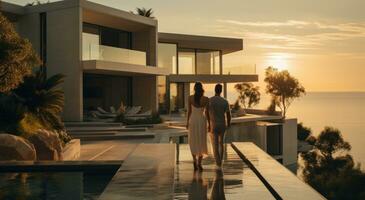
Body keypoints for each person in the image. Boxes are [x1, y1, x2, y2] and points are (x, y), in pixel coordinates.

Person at [186, 82, 210, 171]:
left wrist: (187, 122)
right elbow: (207, 113)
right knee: (201, 140)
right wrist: (210, 124)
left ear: (195, 89)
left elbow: (189, 111)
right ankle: (199, 163)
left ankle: (194, 160)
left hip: (193, 120)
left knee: (193, 140)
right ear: (202, 88)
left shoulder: (190, 98)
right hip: (202, 120)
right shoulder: (206, 99)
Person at [208, 84, 231, 169]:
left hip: (213, 124)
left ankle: (218, 162)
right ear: (221, 91)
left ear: (215, 90)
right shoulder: (225, 101)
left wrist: (208, 123)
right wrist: (228, 123)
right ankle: (221, 161)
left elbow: (206, 113)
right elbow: (228, 115)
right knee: (221, 143)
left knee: (215, 144)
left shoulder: (210, 100)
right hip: (222, 124)